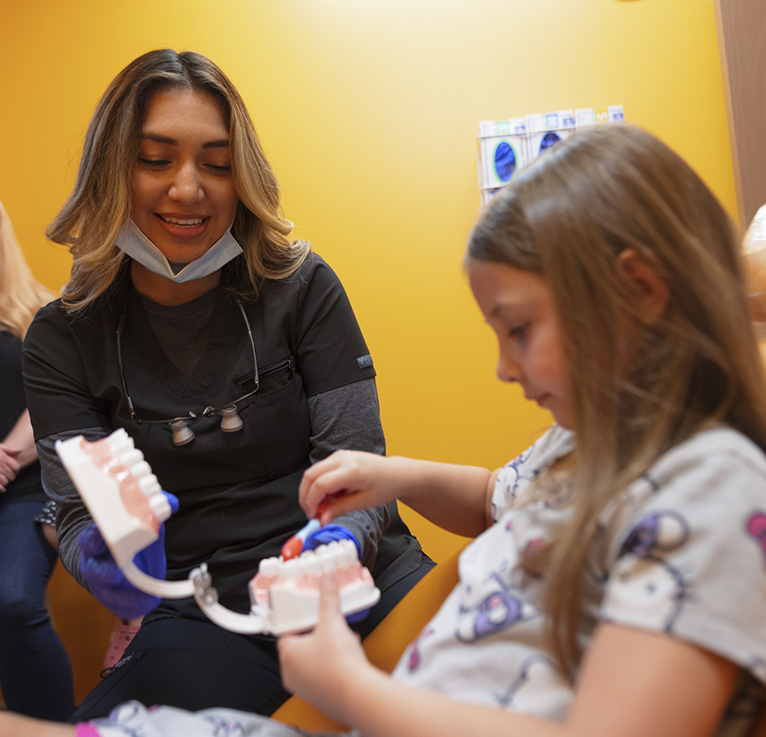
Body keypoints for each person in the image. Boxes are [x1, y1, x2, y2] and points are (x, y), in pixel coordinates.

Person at [6, 121, 766, 737]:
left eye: (519, 329)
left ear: (638, 288)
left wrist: (351, 688)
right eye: (154, 159)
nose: (503, 369)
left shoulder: (714, 489)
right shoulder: (589, 442)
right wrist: (393, 475)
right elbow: (497, 495)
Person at [21, 49, 432, 721]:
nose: (190, 189)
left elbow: (361, 463)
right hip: (209, 612)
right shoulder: (62, 338)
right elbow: (74, 510)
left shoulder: (302, 288)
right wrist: (102, 560)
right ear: (110, 171)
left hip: (358, 580)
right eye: (156, 160)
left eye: (216, 164)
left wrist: (336, 547)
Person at [0, 200, 75, 720]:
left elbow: (62, 401)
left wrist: (5, 456)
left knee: (14, 603)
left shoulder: (39, 313)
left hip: (24, 492)